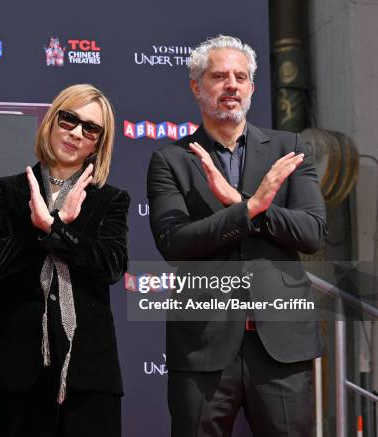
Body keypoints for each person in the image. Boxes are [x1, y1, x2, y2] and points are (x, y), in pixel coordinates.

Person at [147, 35, 326, 436]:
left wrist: (245, 203)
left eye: (241, 77)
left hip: (282, 346)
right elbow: (174, 243)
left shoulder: (289, 149)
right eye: (220, 76)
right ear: (197, 86)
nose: (232, 85)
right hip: (203, 345)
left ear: (252, 87)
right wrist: (250, 208)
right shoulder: (171, 160)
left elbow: (313, 233)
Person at [0, 84, 129, 437]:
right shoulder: (6, 190)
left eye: (90, 128)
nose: (76, 133)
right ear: (52, 120)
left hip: (89, 371)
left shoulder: (111, 199)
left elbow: (110, 266)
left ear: (99, 142)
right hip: (18, 369)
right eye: (69, 119)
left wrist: (55, 229)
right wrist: (45, 228)